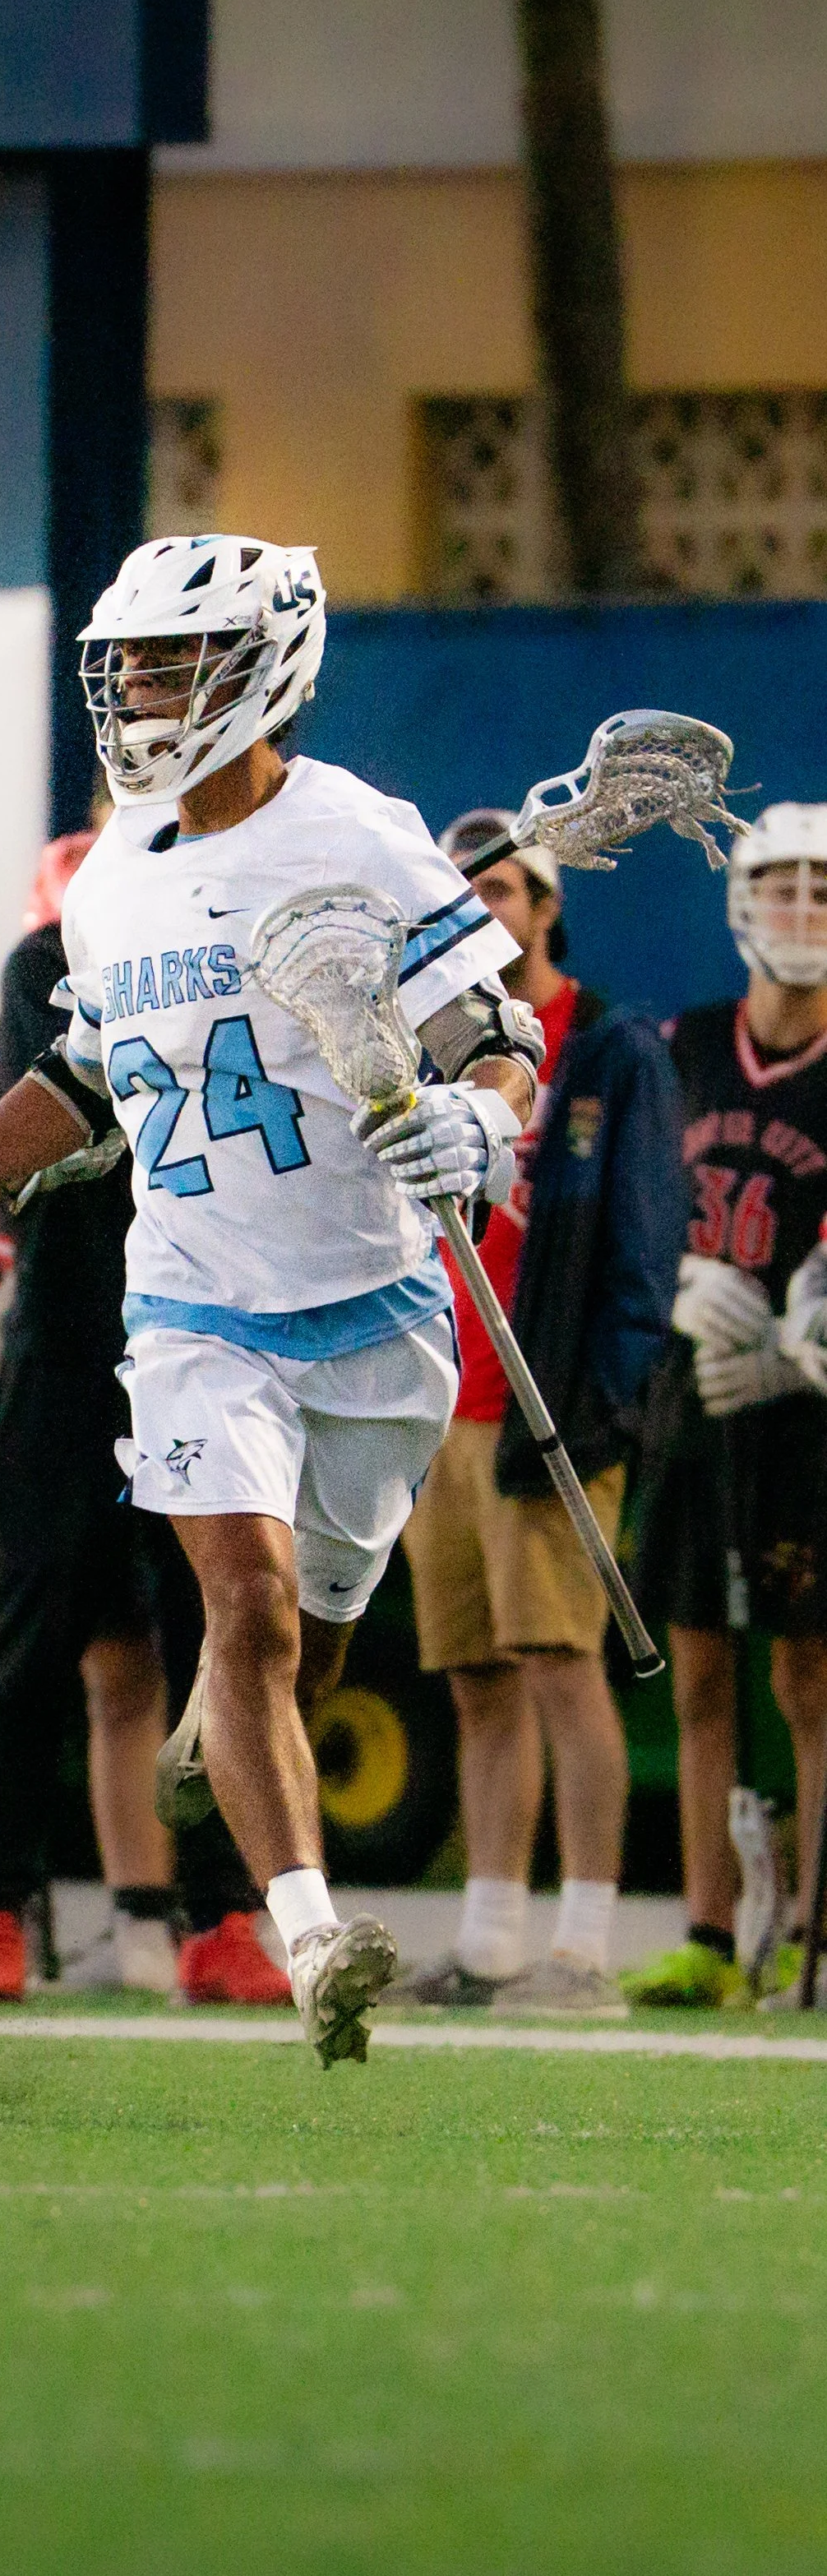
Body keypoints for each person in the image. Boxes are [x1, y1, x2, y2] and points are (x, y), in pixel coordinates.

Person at [0, 533, 540, 2066]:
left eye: (174, 661)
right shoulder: (114, 885)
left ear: (268, 666)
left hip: (371, 1301)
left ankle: (244, 1739)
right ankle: (308, 1933)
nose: (142, 692)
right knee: (247, 1604)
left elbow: (493, 1025)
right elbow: (83, 1081)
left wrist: (481, 1114)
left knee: (316, 1628)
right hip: (196, 1307)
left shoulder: (357, 831)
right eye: (131, 664)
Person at [0, 824, 287, 2005]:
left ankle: (224, 1915)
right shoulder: (49, 954)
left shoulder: (231, 942)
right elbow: (62, 1118)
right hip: (69, 1342)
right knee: (34, 1632)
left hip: (196, 1334)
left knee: (217, 1631)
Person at [390, 814, 684, 2011]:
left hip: (546, 1402)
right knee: (476, 1677)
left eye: (502, 888)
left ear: (548, 904)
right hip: (442, 1401)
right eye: (463, 894)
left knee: (563, 1663)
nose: (485, 910)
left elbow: (648, 1236)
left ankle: (585, 1944)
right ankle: (495, 1933)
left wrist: (611, 1398)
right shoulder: (427, 1049)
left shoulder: (610, 1050)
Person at [626, 802, 827, 2009]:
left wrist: (807, 1354)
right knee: (698, 1674)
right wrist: (675, 1283)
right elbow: (630, 1212)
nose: (801, 910)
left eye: (823, 887)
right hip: (693, 1401)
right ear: (741, 901)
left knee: (810, 1677)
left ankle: (813, 1930)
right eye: (783, 885)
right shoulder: (685, 1042)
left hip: (809, 1414)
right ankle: (708, 1930)